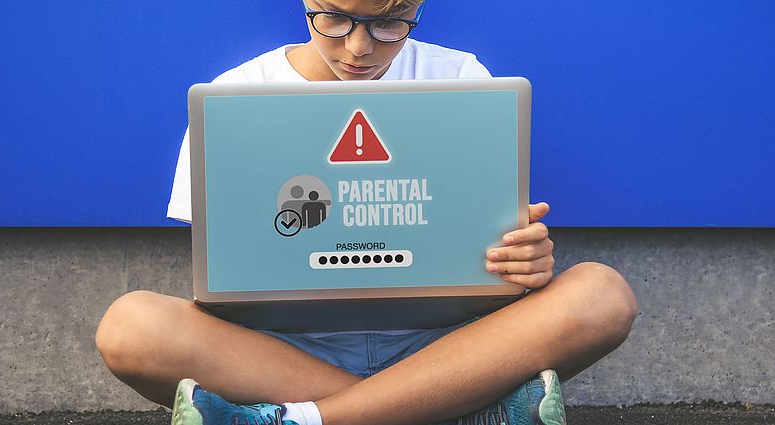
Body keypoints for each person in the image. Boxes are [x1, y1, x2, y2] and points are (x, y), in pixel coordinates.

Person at [95, 1, 639, 424]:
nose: (359, 48)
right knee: (130, 327)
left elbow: (489, 229)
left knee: (601, 295)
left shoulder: (460, 77)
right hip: (282, 352)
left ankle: (303, 419)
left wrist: (525, 257)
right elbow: (222, 268)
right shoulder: (235, 95)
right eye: (334, 19)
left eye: (388, 24)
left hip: (449, 341)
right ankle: (450, 409)